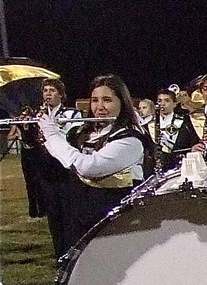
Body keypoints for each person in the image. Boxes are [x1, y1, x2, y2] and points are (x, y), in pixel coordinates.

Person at [39, 74, 147, 254]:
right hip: (80, 219)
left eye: (107, 100)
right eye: (95, 100)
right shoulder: (81, 134)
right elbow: (55, 168)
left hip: (114, 225)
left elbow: (89, 167)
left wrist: (53, 136)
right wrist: (36, 138)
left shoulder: (130, 140)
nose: (100, 107)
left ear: (122, 103)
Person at [7, 79, 81, 226]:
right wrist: (25, 128)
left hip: (63, 165)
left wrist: (51, 127)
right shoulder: (37, 115)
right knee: (52, 212)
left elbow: (72, 138)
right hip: (44, 165)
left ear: (61, 95)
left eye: (52, 90)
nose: (48, 94)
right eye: (45, 90)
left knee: (67, 209)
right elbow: (31, 142)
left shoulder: (72, 113)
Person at [144, 87, 200, 173]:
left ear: (174, 104)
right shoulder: (149, 125)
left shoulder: (185, 121)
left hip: (181, 166)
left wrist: (168, 143)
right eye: (159, 100)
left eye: (167, 100)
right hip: (156, 168)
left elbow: (193, 144)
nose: (162, 104)